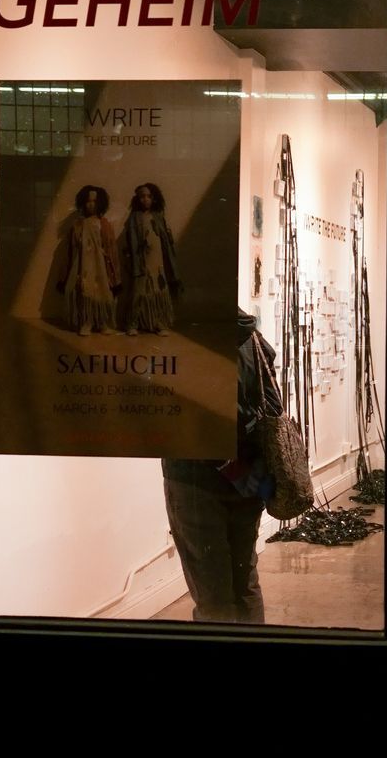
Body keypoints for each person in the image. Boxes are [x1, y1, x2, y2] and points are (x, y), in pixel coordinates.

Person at [160, 311, 280, 623]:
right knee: (245, 583)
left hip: (196, 480)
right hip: (250, 479)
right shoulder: (251, 336)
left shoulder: (187, 342)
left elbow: (182, 418)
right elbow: (273, 406)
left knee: (213, 595)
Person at [57, 185, 119, 336]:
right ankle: (86, 322)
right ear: (83, 203)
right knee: (84, 291)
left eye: (95, 201)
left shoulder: (104, 224)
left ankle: (102, 322)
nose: (91, 204)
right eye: (88, 201)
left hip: (101, 265)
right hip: (83, 264)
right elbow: (71, 249)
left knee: (101, 291)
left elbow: (111, 248)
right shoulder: (78, 225)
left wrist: (114, 272)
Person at [120, 182, 182, 335]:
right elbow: (131, 240)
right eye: (142, 196)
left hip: (157, 259)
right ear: (137, 199)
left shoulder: (158, 216)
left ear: (154, 198)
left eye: (148, 196)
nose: (145, 199)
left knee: (158, 289)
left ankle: (159, 322)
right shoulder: (134, 218)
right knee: (138, 291)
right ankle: (133, 323)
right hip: (141, 259)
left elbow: (165, 240)